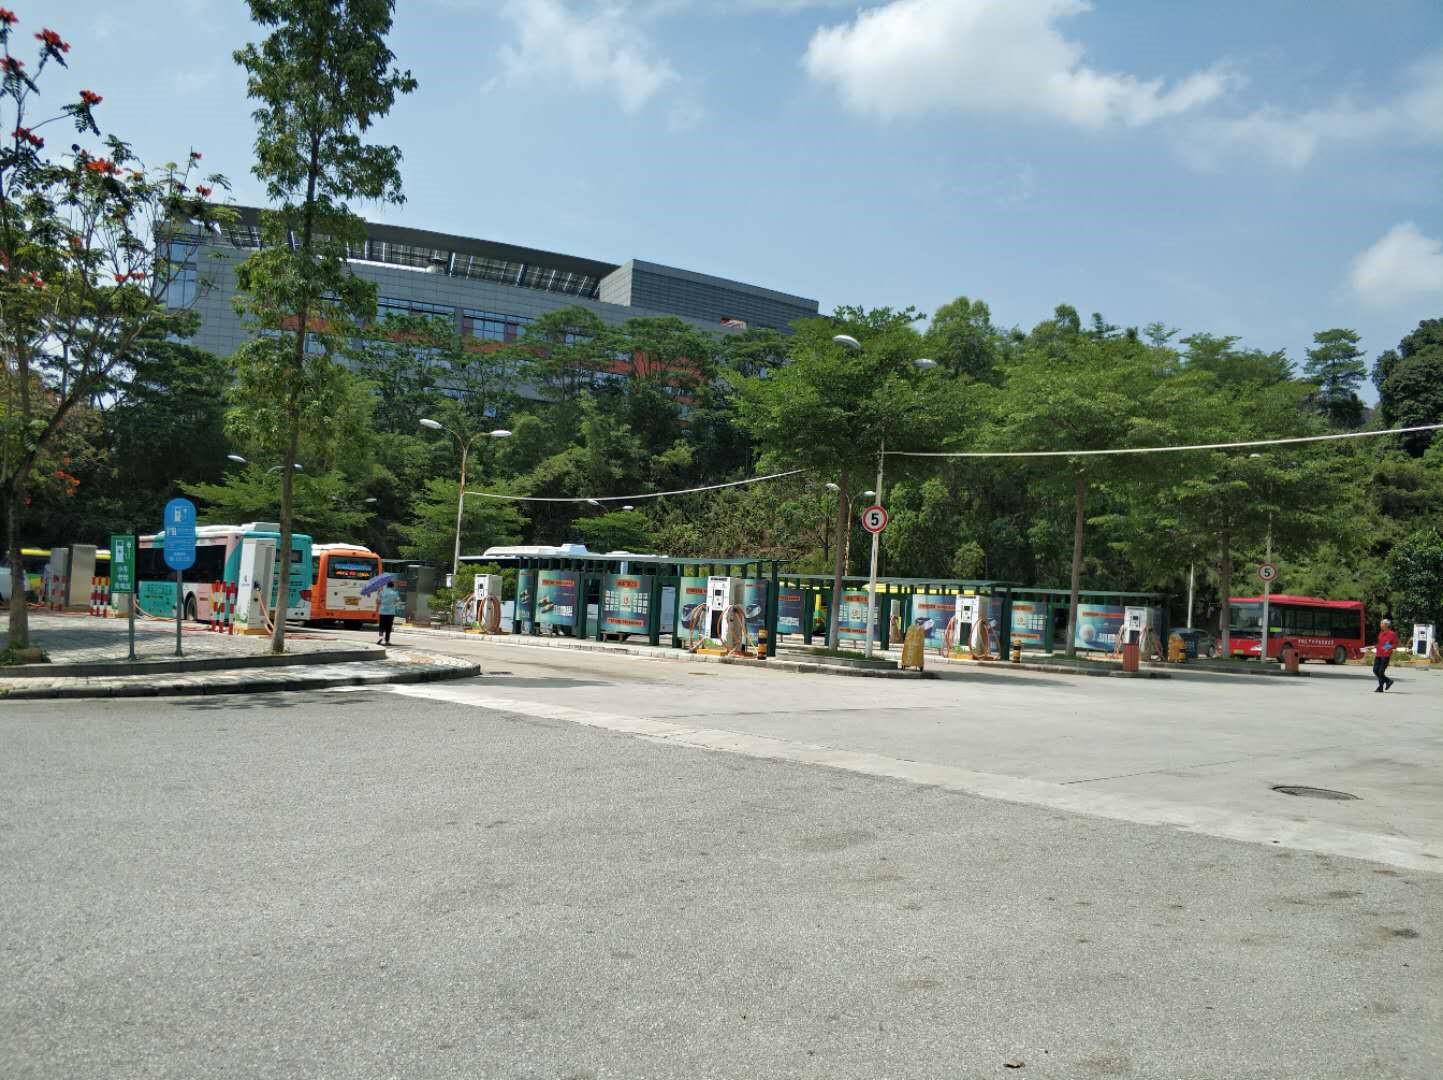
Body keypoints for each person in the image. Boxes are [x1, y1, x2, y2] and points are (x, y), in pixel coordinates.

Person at [1373, 618, 1398, 692]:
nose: (1380, 625)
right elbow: (1380, 644)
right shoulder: (1381, 633)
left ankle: (1381, 687)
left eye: (1382, 623)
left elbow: (1395, 644)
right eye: (1381, 623)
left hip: (1386, 655)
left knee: (1381, 672)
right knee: (1375, 670)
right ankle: (1388, 681)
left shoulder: (1392, 634)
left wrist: (1387, 647)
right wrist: (1374, 646)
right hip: (1378, 654)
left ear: (1386, 625)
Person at [377, 581, 403, 647]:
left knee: (381, 626)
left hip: (382, 611)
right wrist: (394, 604)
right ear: (393, 586)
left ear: (387, 586)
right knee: (388, 626)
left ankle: (380, 637)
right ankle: (387, 641)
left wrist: (379, 595)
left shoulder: (382, 592)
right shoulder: (395, 593)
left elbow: (378, 601)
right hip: (391, 612)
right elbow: (398, 601)